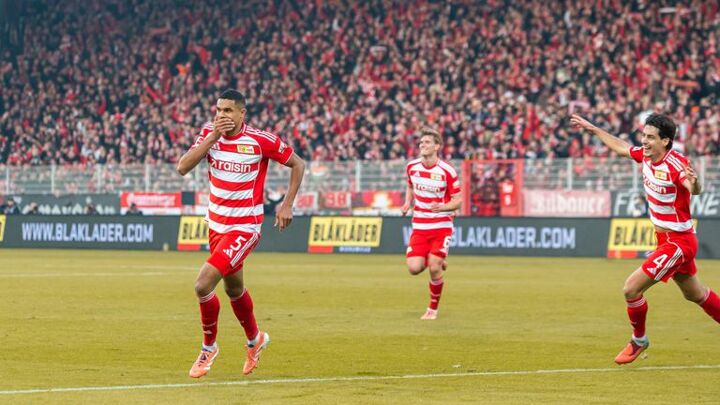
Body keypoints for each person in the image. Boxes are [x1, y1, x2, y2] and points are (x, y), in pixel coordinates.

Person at [570, 113, 720, 364]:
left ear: (666, 141)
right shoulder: (646, 156)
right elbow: (621, 147)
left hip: (678, 242)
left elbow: (691, 186)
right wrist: (594, 129)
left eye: (651, 137)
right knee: (696, 294)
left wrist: (695, 184)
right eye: (644, 135)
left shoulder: (676, 164)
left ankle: (638, 340)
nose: (644, 141)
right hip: (665, 240)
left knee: (631, 288)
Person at [176, 89, 305, 378]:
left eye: (228, 110)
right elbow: (182, 167)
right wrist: (212, 137)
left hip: (244, 228)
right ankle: (255, 339)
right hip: (216, 226)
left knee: (202, 285)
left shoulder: (260, 140)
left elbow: (298, 163)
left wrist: (287, 204)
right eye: (218, 110)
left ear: (241, 113)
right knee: (234, 289)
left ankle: (208, 348)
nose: (221, 115)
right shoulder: (209, 134)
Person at [401, 127, 462, 320]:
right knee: (413, 268)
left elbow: (458, 200)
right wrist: (407, 202)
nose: (422, 145)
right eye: (421, 142)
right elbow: (410, 185)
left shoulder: (447, 171)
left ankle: (432, 309)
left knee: (434, 267)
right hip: (420, 225)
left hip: (441, 225)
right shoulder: (412, 167)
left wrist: (443, 207)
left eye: (427, 142)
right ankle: (437, 258)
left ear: (437, 147)